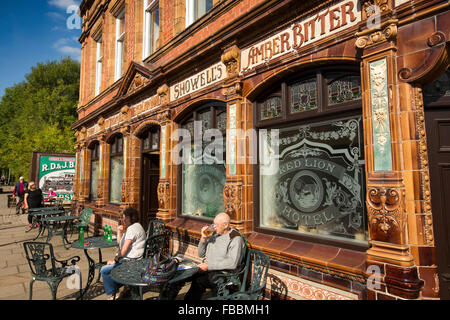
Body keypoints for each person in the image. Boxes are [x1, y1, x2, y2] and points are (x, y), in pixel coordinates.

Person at [168, 212, 244, 300]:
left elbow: (232, 263)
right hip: (207, 269)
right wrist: (203, 238)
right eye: (213, 224)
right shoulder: (215, 234)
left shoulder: (235, 238)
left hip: (223, 273)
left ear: (226, 225)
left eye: (216, 225)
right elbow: (201, 254)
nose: (214, 227)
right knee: (179, 275)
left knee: (199, 281)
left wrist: (208, 266)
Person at [100, 206, 146, 300]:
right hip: (135, 260)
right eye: (123, 217)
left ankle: (115, 293)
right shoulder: (136, 226)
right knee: (108, 269)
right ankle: (126, 288)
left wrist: (115, 260)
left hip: (130, 262)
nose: (123, 219)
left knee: (104, 270)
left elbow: (124, 249)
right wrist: (119, 231)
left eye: (125, 217)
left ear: (131, 217)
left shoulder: (132, 229)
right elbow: (120, 242)